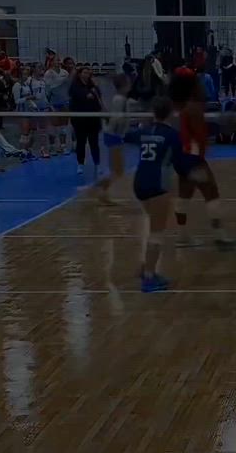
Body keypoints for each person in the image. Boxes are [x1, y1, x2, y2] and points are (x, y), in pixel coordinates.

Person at [169, 68, 235, 250]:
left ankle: (182, 236)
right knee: (211, 192)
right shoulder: (193, 107)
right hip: (192, 156)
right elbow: (201, 135)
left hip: (179, 157)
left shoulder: (175, 105)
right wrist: (223, 126)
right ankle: (220, 235)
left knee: (184, 194)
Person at [129, 97, 181, 292]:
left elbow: (121, 136)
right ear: (171, 113)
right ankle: (149, 277)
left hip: (139, 182)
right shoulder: (172, 135)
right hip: (157, 184)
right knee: (157, 232)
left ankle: (147, 267)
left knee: (154, 226)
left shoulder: (144, 131)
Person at [93, 74, 133, 205]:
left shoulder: (122, 99)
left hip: (115, 136)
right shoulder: (119, 100)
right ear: (125, 85)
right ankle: (99, 189)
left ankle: (101, 191)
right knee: (118, 171)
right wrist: (118, 134)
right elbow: (116, 119)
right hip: (114, 136)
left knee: (118, 170)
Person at [69, 65, 103, 179]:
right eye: (84, 72)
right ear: (79, 74)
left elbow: (97, 98)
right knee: (81, 143)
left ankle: (97, 164)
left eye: (88, 73)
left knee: (94, 143)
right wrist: (88, 95)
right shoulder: (75, 86)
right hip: (80, 120)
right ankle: (80, 164)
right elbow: (84, 96)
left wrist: (95, 90)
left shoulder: (93, 86)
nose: (87, 75)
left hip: (93, 119)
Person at [43, 55, 74, 155]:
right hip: (53, 102)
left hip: (64, 101)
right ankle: (52, 147)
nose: (58, 61)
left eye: (59, 60)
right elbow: (48, 88)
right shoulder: (48, 73)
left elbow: (68, 85)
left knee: (63, 127)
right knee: (53, 127)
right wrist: (49, 104)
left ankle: (63, 146)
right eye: (56, 60)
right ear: (51, 62)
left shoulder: (65, 72)